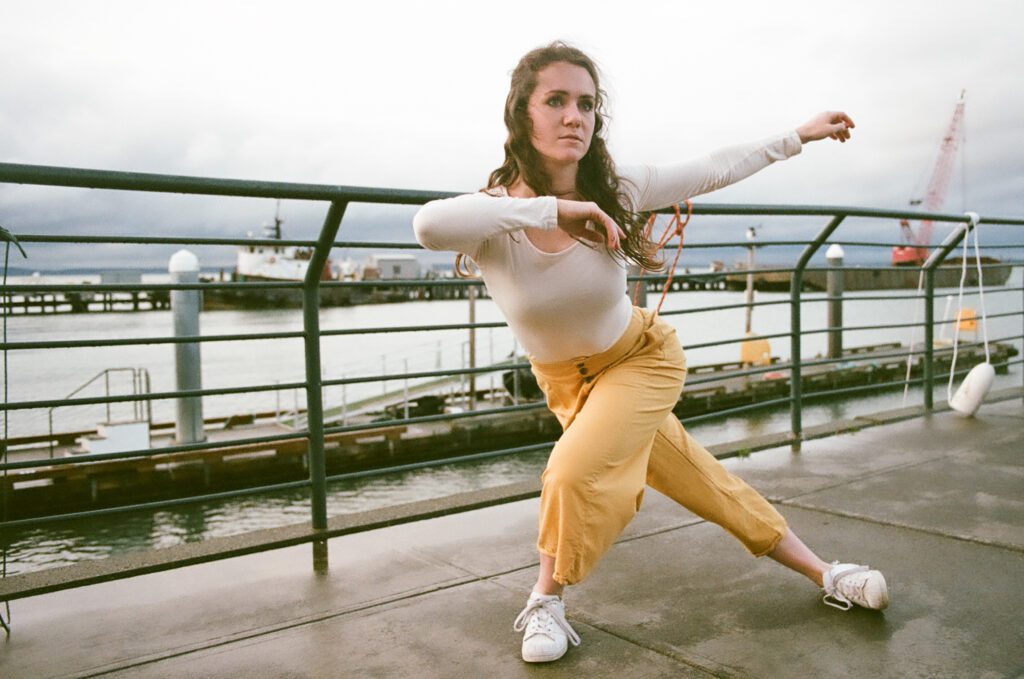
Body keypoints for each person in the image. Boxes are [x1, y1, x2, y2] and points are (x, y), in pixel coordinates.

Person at [413, 41, 888, 664]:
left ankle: (544, 600)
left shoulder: (620, 188)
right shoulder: (495, 217)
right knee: (707, 484)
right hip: (567, 386)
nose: (573, 116)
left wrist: (797, 135)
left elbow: (714, 167)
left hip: (641, 358)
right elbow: (427, 226)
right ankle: (828, 573)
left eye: (585, 103)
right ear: (521, 114)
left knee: (568, 473)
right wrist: (550, 208)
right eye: (554, 101)